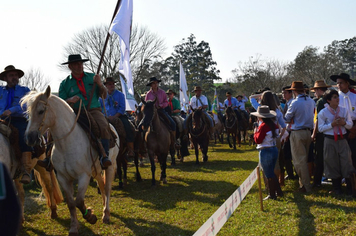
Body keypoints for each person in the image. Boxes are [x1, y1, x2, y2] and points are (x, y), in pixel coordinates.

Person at [43, 54, 111, 169]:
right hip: (73, 112)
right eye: (76, 64)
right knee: (53, 129)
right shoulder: (65, 84)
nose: (79, 66)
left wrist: (100, 84)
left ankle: (104, 156)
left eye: (81, 63)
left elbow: (104, 96)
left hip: (93, 110)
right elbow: (61, 103)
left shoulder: (93, 77)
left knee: (104, 125)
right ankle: (48, 157)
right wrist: (69, 100)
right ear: (70, 67)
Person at [318, 89, 356, 196]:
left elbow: (349, 124)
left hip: (342, 139)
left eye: (337, 97)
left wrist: (344, 123)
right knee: (332, 163)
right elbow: (320, 128)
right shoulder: (323, 113)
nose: (337, 99)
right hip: (330, 140)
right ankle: (337, 188)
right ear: (329, 100)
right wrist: (332, 124)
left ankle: (350, 188)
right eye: (334, 97)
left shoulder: (344, 110)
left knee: (347, 162)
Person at [0, 65, 32, 184]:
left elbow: (26, 105)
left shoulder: (25, 90)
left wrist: (11, 110)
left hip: (18, 120)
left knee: (25, 137)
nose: (14, 77)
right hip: (2, 119)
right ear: (5, 78)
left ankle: (26, 170)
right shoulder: (0, 90)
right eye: (11, 75)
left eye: (15, 75)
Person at [285, 81, 315, 193]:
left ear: (294, 91)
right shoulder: (311, 101)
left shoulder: (295, 102)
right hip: (308, 132)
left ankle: (306, 187)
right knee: (305, 160)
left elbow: (287, 118)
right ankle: (303, 185)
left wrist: (291, 119)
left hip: (297, 132)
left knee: (299, 161)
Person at [252, 105, 283, 200]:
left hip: (265, 150)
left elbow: (258, 140)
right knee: (271, 171)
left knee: (268, 173)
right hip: (274, 149)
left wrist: (255, 132)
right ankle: (278, 191)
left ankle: (272, 194)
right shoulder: (274, 125)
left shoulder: (263, 126)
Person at [100, 77, 135, 157]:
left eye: (113, 84)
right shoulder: (101, 97)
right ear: (105, 86)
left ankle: (130, 149)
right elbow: (100, 108)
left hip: (119, 116)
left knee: (128, 127)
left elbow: (122, 108)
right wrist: (106, 116)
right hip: (106, 118)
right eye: (109, 84)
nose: (112, 85)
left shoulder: (120, 95)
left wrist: (115, 116)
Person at [330, 73, 356, 169]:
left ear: (347, 83)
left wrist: (354, 129)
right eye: (337, 83)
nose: (338, 85)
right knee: (343, 154)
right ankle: (345, 176)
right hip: (341, 127)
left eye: (341, 83)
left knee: (354, 153)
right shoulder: (335, 98)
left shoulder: (354, 96)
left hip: (354, 126)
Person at [142, 77, 176, 146]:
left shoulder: (162, 92)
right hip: (151, 112)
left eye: (156, 83)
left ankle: (173, 141)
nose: (155, 85)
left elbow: (166, 102)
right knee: (140, 126)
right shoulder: (148, 94)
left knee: (173, 124)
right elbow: (145, 104)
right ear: (151, 85)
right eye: (153, 83)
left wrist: (161, 105)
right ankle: (142, 145)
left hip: (160, 110)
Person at [310, 80, 331, 187]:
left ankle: (317, 181)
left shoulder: (320, 102)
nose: (315, 93)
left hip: (321, 132)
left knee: (319, 157)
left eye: (315, 90)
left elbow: (318, 119)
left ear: (318, 90)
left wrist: (314, 134)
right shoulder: (330, 99)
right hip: (330, 131)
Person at [281, 86, 297, 180]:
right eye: (283, 93)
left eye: (285, 93)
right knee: (286, 153)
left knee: (289, 153)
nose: (284, 95)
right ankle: (290, 173)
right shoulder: (287, 103)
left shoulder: (292, 103)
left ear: (290, 93)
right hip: (288, 130)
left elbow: (290, 119)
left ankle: (293, 173)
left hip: (291, 130)